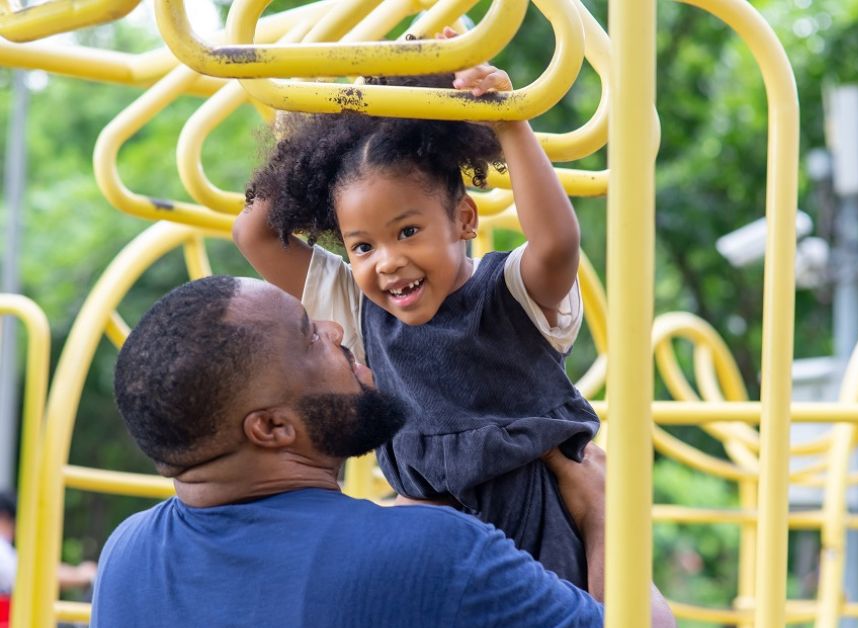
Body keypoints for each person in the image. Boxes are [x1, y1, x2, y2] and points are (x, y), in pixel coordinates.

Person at [88, 276, 684, 628]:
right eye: (309, 335)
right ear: (270, 428)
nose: (336, 330)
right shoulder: (436, 555)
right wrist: (606, 516)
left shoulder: (125, 559)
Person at [234, 37, 599, 589]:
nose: (388, 261)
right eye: (363, 247)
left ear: (465, 220)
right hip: (431, 543)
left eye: (408, 231)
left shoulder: (512, 295)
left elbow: (555, 244)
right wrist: (325, 122)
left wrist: (507, 120)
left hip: (539, 536)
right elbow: (255, 233)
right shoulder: (359, 310)